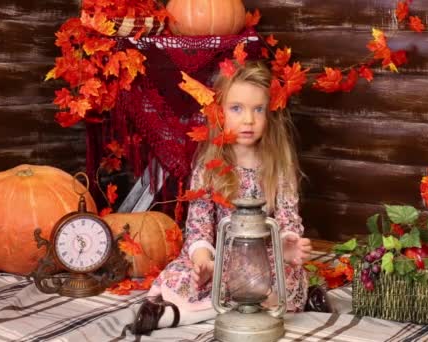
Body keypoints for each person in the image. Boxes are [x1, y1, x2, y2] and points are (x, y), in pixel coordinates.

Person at [128, 60, 312, 335]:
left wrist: (287, 245)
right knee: (182, 274)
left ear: (270, 114)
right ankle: (216, 303)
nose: (248, 120)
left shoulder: (278, 164)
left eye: (258, 110)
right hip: (220, 258)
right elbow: (198, 225)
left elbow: (287, 217)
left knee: (282, 280)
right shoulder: (209, 167)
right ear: (219, 113)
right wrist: (204, 259)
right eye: (237, 109)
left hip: (264, 258)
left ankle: (179, 315)